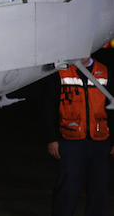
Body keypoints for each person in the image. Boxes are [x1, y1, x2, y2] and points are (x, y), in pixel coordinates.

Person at [43, 56, 114, 216]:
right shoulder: (60, 72)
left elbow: (112, 109)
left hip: (100, 141)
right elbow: (49, 107)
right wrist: (51, 139)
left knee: (99, 188)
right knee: (67, 187)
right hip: (70, 141)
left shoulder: (104, 72)